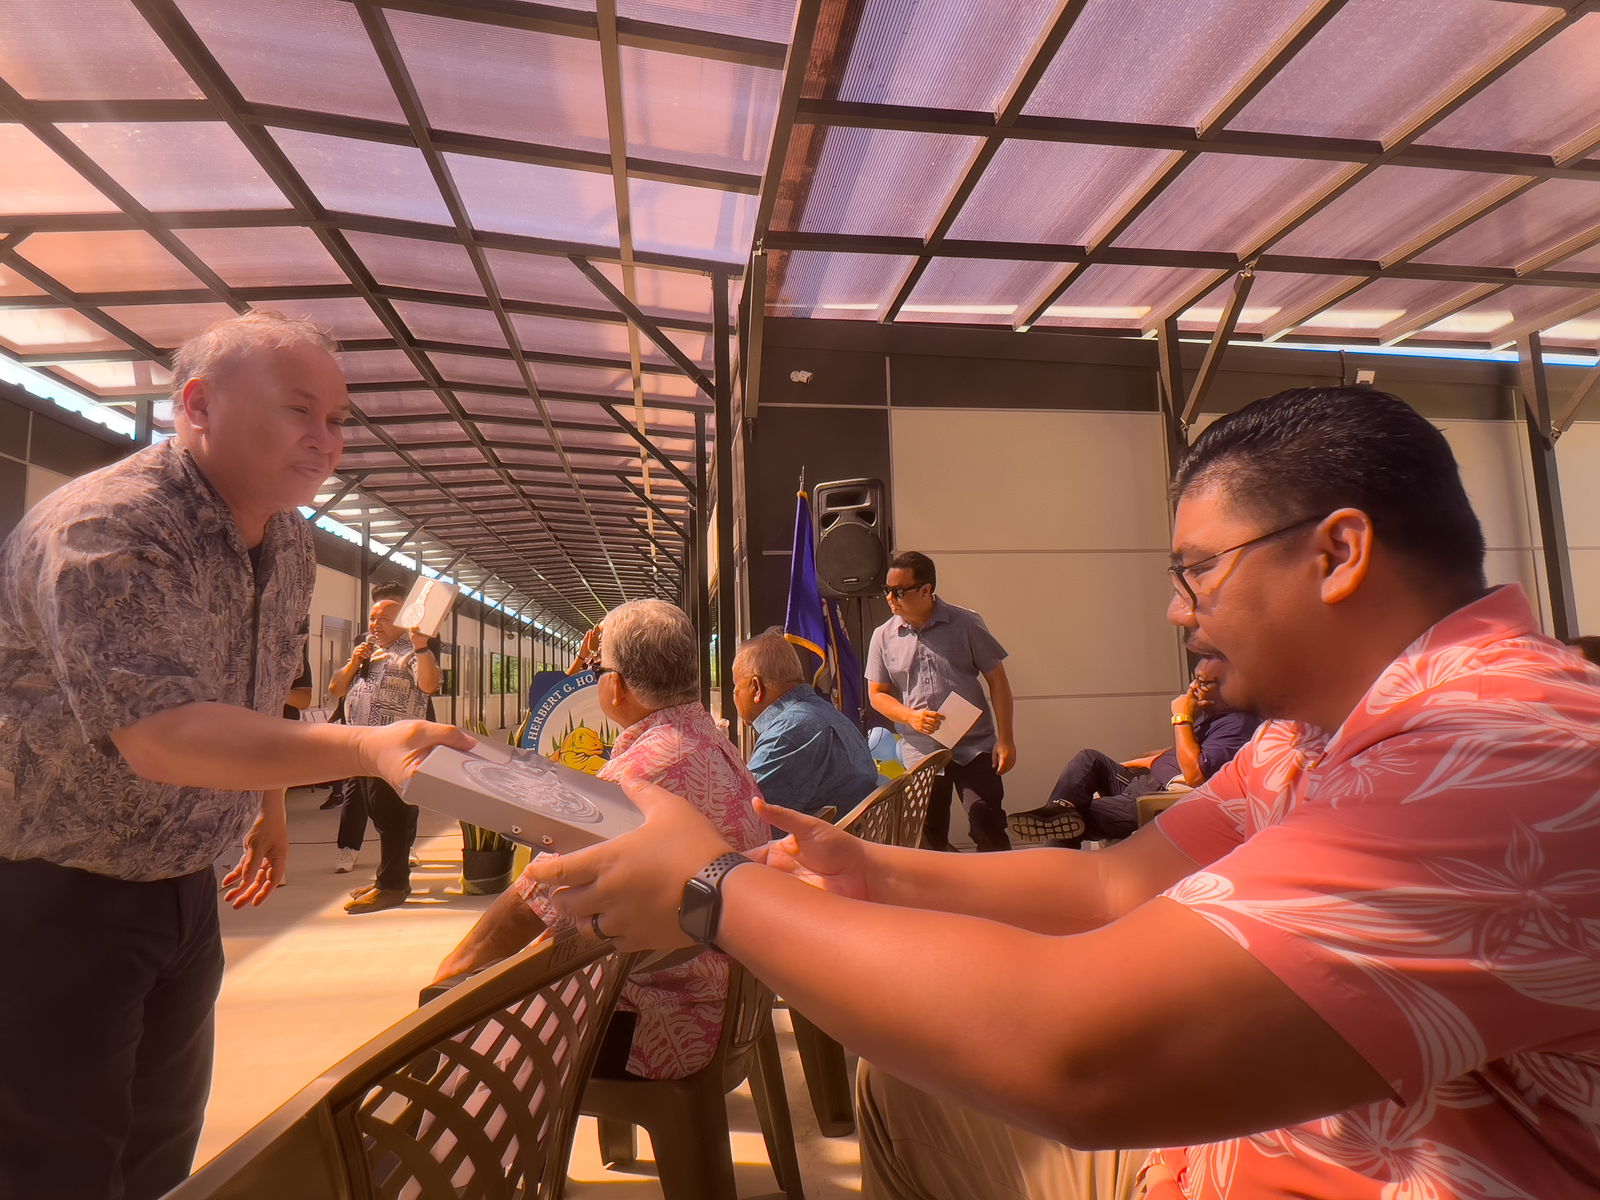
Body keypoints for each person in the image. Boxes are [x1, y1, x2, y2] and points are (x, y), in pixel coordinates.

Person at [522, 386, 1600, 1200]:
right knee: (913, 1080)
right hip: (1247, 1150)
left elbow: (1080, 1058)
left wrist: (713, 891)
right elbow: (1110, 890)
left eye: (1197, 570)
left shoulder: (1504, 748)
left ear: (1338, 552)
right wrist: (869, 868)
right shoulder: (1315, 733)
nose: (1181, 611)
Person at [0, 310, 471, 1200]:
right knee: (54, 1162)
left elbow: (255, 688)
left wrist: (263, 814)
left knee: (158, 1150)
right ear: (198, 406)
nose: (324, 440)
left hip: (180, 887)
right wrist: (367, 745)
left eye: (336, 421)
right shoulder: (112, 529)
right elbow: (163, 731)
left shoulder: (283, 535)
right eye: (300, 412)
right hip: (54, 894)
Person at [432, 599, 765, 1080]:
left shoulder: (640, 775)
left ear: (616, 684)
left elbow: (535, 902)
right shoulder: (711, 740)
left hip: (663, 1019)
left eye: (596, 665)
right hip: (727, 1000)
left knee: (466, 1037)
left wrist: (448, 976)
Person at [866, 550, 1016, 851]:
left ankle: (1005, 889)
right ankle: (946, 894)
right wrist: (910, 717)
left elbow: (997, 679)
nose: (890, 598)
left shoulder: (966, 623)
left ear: (926, 590)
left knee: (985, 820)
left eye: (899, 591)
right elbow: (877, 695)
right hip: (921, 752)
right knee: (928, 836)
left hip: (974, 746)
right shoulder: (883, 637)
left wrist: (1006, 740)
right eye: (887, 590)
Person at [1010, 669, 1259, 845]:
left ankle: (1054, 878)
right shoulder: (1211, 715)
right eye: (1195, 680)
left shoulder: (1237, 724)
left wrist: (1181, 717)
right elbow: (1181, 752)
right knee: (1089, 759)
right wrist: (1143, 761)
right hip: (1144, 783)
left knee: (1075, 820)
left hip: (1159, 801)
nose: (1193, 689)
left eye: (1204, 683)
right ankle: (1057, 808)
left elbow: (1195, 774)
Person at [330, 594, 441, 911]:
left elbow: (430, 685)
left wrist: (421, 647)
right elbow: (335, 689)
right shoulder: (368, 654)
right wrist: (354, 661)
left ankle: (393, 886)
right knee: (378, 813)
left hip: (395, 751)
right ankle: (385, 878)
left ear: (403, 623)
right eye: (373, 617)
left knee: (393, 817)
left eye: (383, 618)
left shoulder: (413, 654)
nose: (374, 624)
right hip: (363, 748)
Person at [732, 630, 879, 820]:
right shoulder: (829, 714)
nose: (734, 694)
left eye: (736, 685)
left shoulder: (788, 733)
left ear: (756, 687)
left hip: (826, 848)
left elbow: (742, 818)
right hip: (856, 842)